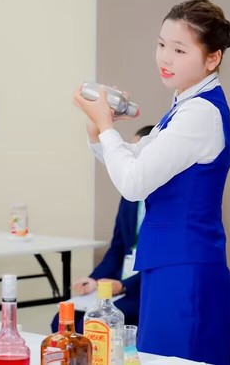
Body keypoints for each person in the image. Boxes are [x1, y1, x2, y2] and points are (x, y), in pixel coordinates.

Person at [72, 0, 230, 365]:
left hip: (186, 270)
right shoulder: (183, 108)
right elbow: (131, 160)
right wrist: (98, 128)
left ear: (213, 58)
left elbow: (133, 183)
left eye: (179, 50)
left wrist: (106, 127)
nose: (165, 57)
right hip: (171, 266)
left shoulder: (199, 113)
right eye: (162, 44)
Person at [51, 125, 154, 334]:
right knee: (61, 321)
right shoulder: (129, 196)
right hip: (117, 286)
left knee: (90, 326)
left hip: (143, 289)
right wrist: (95, 280)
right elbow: (117, 247)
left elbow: (161, 264)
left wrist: (123, 286)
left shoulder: (166, 200)